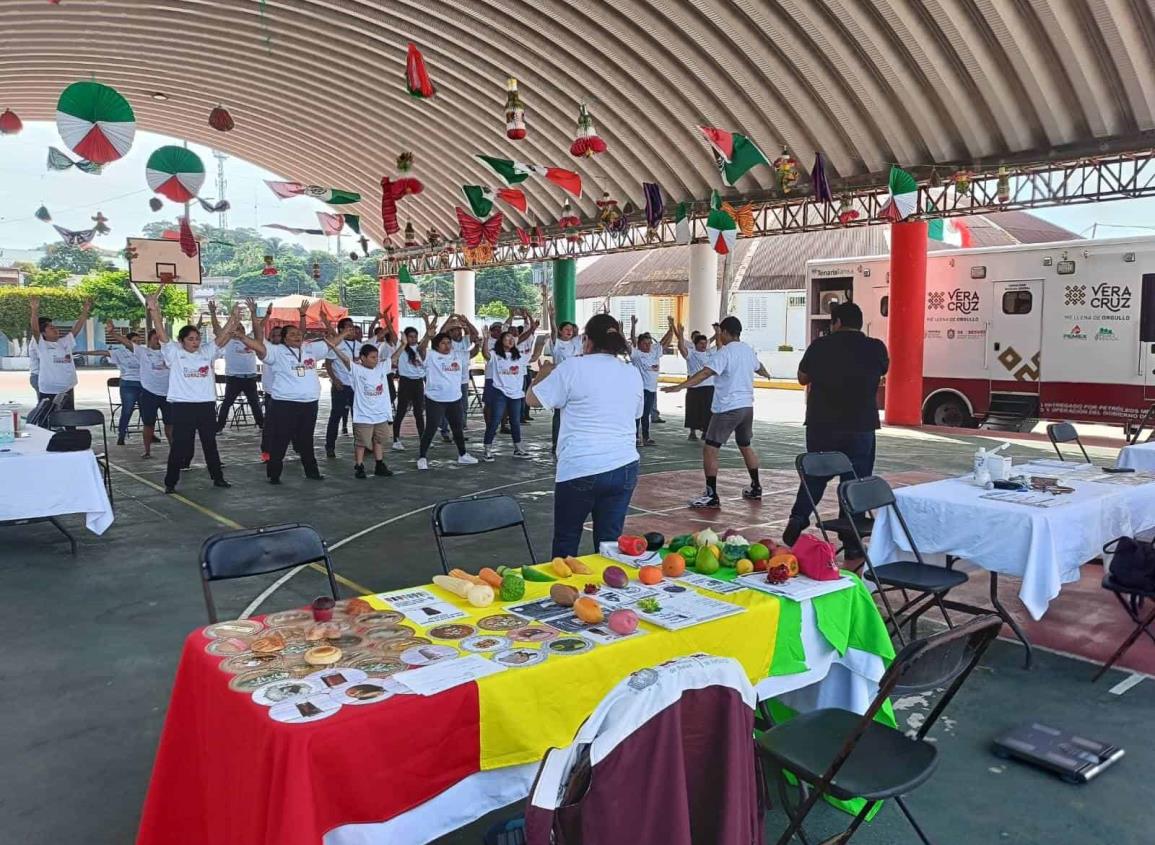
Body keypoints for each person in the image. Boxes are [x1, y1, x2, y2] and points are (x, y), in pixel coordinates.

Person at [528, 313, 643, 557]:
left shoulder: (573, 367)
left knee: (567, 540)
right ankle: (610, 591)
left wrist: (543, 372)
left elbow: (532, 399)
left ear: (587, 340)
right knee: (610, 544)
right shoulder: (631, 372)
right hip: (623, 464)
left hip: (581, 466)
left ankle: (564, 593)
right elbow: (636, 413)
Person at [783, 301, 889, 547]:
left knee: (815, 476)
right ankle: (851, 541)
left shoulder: (820, 346)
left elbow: (802, 378)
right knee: (855, 481)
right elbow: (884, 370)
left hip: (822, 425)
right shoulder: (875, 347)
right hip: (861, 425)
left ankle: (799, 518)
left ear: (837, 322)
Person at [663, 316, 771, 509]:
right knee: (745, 445)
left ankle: (711, 495)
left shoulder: (725, 353)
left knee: (710, 448)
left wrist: (680, 386)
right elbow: (759, 367)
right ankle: (756, 487)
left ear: (726, 332)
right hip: (747, 407)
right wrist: (767, 374)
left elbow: (705, 373)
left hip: (728, 408)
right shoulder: (747, 349)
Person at [235, 299, 344, 484]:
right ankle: (274, 473)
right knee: (281, 439)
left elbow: (331, 343)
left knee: (306, 440)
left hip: (309, 403)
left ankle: (312, 471)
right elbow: (258, 342)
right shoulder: (276, 352)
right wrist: (247, 328)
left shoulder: (309, 349)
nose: (297, 336)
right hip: (284, 404)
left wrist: (343, 333)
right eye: (292, 334)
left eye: (299, 334)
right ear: (284, 338)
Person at [147, 294, 238, 494]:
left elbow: (222, 337)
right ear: (182, 341)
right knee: (180, 445)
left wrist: (233, 318)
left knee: (210, 444)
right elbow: (162, 333)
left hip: (205, 405)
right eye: (191, 339)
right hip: (183, 406)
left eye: (197, 338)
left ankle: (218, 478)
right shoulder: (173, 352)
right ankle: (170, 482)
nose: (195, 342)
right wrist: (154, 310)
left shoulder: (206, 352)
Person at [418, 315, 479, 470]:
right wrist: (427, 336)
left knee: (457, 427)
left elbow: (473, 351)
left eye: (448, 343)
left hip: (454, 398)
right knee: (431, 428)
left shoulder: (458, 355)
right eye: (443, 343)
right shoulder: (431, 356)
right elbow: (420, 349)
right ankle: (422, 457)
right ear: (436, 346)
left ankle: (463, 455)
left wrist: (478, 341)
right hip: (435, 398)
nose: (446, 345)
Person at [331, 342, 394, 479]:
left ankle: (379, 464)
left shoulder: (381, 368)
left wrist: (404, 344)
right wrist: (334, 346)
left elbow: (394, 358)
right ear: (363, 358)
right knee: (361, 442)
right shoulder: (357, 370)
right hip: (364, 415)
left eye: (376, 357)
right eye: (372, 357)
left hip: (380, 414)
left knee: (379, 440)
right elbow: (345, 359)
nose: (376, 360)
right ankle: (359, 465)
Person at [28, 295, 94, 410]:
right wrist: (34, 310)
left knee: (68, 419)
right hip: (49, 388)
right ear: (43, 333)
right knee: (46, 418)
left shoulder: (65, 342)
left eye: (55, 327)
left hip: (67, 387)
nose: (55, 329)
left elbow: (77, 328)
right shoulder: (42, 345)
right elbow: (35, 329)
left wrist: (85, 311)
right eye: (51, 328)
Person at [211, 298, 265, 434]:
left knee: (255, 403)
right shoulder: (228, 341)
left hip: (250, 377)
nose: (240, 330)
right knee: (227, 403)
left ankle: (262, 424)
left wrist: (253, 313)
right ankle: (219, 426)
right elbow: (218, 330)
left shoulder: (250, 341)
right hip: (234, 378)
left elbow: (259, 327)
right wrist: (213, 313)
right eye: (237, 328)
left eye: (241, 328)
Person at [481, 329, 531, 460]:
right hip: (500, 392)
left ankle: (518, 448)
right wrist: (485, 340)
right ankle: (487, 448)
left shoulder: (519, 356)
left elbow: (535, 356)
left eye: (512, 338)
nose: (511, 339)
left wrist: (542, 343)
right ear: (501, 342)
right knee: (495, 420)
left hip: (516, 394)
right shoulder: (495, 355)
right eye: (507, 337)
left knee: (515, 421)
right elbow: (485, 354)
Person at [627, 315, 673, 446]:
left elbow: (666, 341)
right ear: (639, 343)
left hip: (651, 389)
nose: (647, 346)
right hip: (640, 389)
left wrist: (672, 328)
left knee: (646, 414)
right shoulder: (636, 354)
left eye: (649, 343)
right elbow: (628, 345)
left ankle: (646, 437)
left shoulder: (654, 351)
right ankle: (635, 437)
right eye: (644, 344)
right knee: (637, 414)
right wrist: (626, 329)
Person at [438, 314, 480, 441]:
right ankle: (445, 431)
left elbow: (475, 334)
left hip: (462, 380)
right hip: (448, 380)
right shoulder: (446, 343)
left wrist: (466, 321)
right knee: (447, 406)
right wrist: (449, 321)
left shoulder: (464, 343)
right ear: (450, 332)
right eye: (455, 329)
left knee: (463, 407)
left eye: (459, 329)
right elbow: (440, 333)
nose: (458, 331)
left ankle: (459, 432)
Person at [324, 317, 361, 458]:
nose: (351, 329)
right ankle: (330, 446)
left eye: (352, 327)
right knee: (336, 416)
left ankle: (362, 444)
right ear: (341, 330)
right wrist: (334, 379)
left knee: (358, 417)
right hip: (341, 385)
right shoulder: (337, 344)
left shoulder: (359, 345)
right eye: (348, 327)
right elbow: (328, 363)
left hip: (355, 387)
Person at [675, 319, 716, 441]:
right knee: (693, 409)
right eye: (701, 343)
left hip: (709, 386)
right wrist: (681, 334)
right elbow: (681, 346)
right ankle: (692, 432)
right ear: (695, 344)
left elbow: (719, 345)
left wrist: (718, 333)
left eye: (705, 343)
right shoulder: (691, 354)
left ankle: (706, 431)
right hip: (694, 386)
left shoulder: (710, 353)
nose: (703, 345)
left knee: (708, 410)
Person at [391, 320, 428, 451]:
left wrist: (428, 321)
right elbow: (392, 334)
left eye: (415, 336)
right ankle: (395, 439)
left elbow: (428, 337)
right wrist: (388, 322)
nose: (413, 339)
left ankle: (423, 438)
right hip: (406, 382)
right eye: (410, 336)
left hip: (418, 382)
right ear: (406, 337)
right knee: (401, 411)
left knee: (419, 412)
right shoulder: (400, 347)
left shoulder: (419, 348)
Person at [104, 324, 143, 445]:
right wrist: (83, 353)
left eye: (139, 341)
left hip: (144, 384)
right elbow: (103, 352)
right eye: (134, 341)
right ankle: (121, 434)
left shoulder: (143, 351)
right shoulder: (120, 352)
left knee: (147, 410)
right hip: (128, 384)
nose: (137, 344)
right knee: (127, 409)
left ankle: (150, 433)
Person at [548, 317, 582, 455]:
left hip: (576, 382)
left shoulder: (576, 343)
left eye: (571, 329)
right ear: (561, 331)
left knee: (574, 412)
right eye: (566, 329)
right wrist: (552, 317)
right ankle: (556, 442)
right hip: (561, 382)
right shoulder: (557, 343)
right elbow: (553, 331)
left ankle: (572, 441)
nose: (569, 331)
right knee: (559, 414)